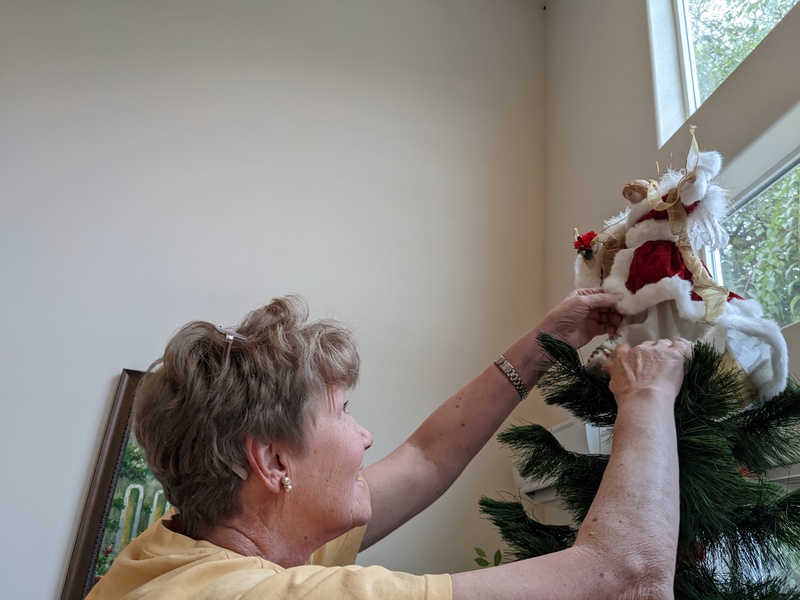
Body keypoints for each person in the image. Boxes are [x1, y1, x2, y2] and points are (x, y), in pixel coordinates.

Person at [87, 289, 690, 600]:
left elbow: (427, 458)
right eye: (344, 413)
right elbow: (625, 577)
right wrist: (646, 395)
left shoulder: (187, 546)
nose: (366, 435)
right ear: (272, 462)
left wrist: (549, 337)